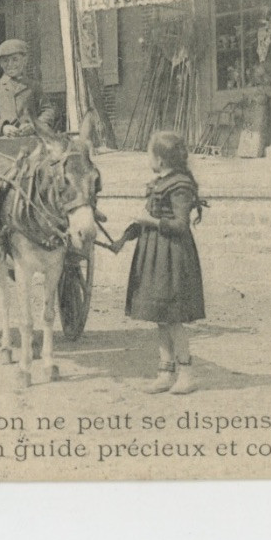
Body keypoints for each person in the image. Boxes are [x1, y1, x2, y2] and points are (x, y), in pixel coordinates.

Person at [109, 129, 207, 395]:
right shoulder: (159, 183)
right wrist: (122, 239)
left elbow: (180, 225)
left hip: (172, 258)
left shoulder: (180, 186)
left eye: (149, 154)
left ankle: (187, 373)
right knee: (160, 319)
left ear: (161, 160)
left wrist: (150, 222)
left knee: (173, 318)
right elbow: (144, 220)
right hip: (154, 256)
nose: (147, 159)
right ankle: (166, 372)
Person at [0, 38, 58, 137]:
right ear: (0, 63)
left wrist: (34, 126)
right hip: (3, 141)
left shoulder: (34, 86)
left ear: (24, 60)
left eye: (15, 59)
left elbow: (48, 111)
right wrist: (2, 127)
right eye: (5, 61)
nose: (10, 64)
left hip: (31, 140)